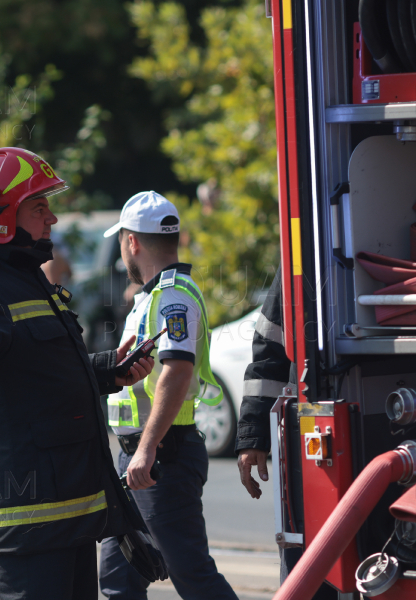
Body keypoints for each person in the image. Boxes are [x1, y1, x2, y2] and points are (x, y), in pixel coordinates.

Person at [0, 147, 155, 600]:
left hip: (66, 506)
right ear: (2, 216)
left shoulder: (24, 276)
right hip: (30, 515)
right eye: (39, 208)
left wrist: (112, 370)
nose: (51, 219)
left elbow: (42, 373)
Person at [99, 191, 237, 600]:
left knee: (192, 575)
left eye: (122, 243)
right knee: (118, 578)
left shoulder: (172, 296)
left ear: (132, 242)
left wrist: (146, 449)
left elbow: (177, 371)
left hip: (161, 457)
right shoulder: (151, 297)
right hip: (140, 456)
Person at [235, 266, 337, 599]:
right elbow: (269, 353)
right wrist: (254, 437)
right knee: (309, 552)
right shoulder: (299, 252)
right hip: (310, 430)